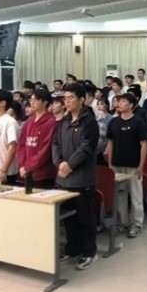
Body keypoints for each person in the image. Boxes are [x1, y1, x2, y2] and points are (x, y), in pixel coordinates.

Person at [52, 82, 99, 270]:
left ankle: (89, 253)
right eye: (65, 98)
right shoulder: (63, 121)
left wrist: (69, 165)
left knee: (85, 218)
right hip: (64, 179)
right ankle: (73, 250)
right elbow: (55, 144)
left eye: (70, 98)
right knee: (69, 218)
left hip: (82, 178)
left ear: (81, 100)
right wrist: (59, 163)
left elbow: (86, 147)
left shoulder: (89, 121)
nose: (67, 101)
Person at [105, 92, 147, 238]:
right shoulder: (113, 122)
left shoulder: (138, 122)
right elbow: (110, 143)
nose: (119, 103)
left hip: (133, 165)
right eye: (118, 101)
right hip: (117, 164)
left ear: (131, 105)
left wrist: (141, 165)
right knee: (120, 195)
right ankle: (123, 222)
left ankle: (136, 224)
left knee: (136, 195)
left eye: (123, 101)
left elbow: (143, 145)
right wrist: (110, 164)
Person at [17, 89, 57, 189]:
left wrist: (29, 166)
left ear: (45, 103)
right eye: (31, 100)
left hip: (43, 174)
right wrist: (22, 165)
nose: (32, 103)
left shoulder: (51, 122)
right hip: (26, 172)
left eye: (36, 100)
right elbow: (22, 144)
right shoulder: (29, 121)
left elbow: (46, 149)